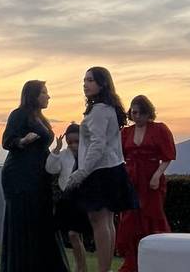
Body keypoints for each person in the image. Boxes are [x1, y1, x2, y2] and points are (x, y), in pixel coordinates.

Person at [65, 67, 138, 272]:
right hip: (111, 168)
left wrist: (83, 171)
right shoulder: (106, 108)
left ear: (102, 83)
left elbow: (97, 144)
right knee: (106, 221)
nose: (85, 84)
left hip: (100, 170)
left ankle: (103, 269)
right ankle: (104, 269)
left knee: (99, 221)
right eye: (84, 80)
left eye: (90, 80)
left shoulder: (99, 111)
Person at [0, 80, 69, 272]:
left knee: (40, 218)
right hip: (20, 175)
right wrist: (23, 140)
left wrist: (54, 151)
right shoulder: (19, 114)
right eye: (44, 92)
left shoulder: (40, 118)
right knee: (24, 219)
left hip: (38, 175)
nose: (48, 96)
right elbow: (7, 141)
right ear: (33, 95)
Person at [115, 95, 176, 272]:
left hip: (151, 179)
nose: (137, 116)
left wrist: (157, 175)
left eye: (141, 112)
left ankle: (158, 260)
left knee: (152, 217)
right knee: (130, 220)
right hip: (131, 178)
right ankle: (132, 263)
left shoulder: (160, 129)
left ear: (148, 113)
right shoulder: (126, 132)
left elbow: (168, 156)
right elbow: (119, 156)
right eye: (134, 112)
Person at [46, 123, 92, 272]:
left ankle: (81, 267)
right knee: (73, 236)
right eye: (70, 142)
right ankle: (81, 267)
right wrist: (57, 150)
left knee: (74, 234)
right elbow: (51, 168)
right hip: (68, 199)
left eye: (76, 141)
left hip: (83, 199)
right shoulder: (64, 154)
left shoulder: (88, 155)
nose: (73, 145)